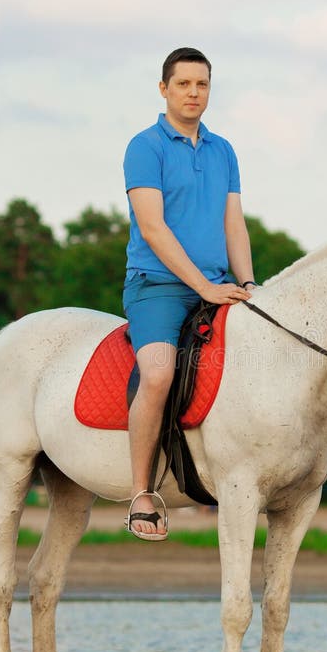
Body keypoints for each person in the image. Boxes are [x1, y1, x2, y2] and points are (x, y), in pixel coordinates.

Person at [122, 47, 256, 540]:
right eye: (183, 84)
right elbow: (153, 228)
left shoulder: (223, 150)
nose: (193, 93)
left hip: (219, 286)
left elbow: (233, 224)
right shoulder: (145, 146)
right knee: (158, 373)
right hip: (156, 287)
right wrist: (203, 286)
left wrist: (248, 286)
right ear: (164, 89)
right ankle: (142, 494)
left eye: (201, 85)